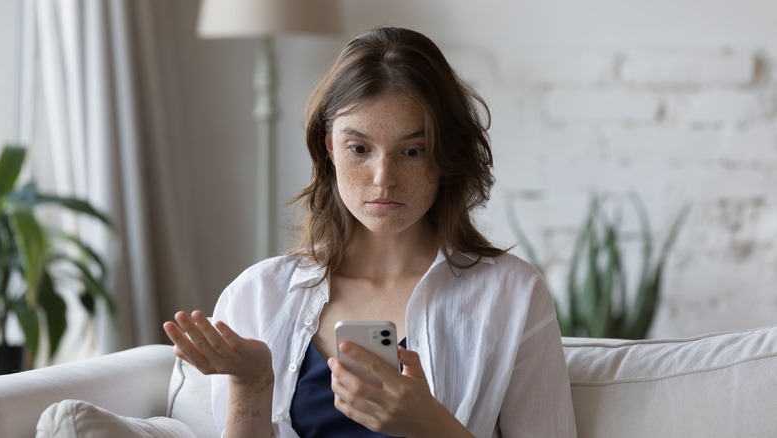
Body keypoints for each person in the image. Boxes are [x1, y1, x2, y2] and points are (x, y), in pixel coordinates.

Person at [163, 26, 577, 437]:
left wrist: (433, 426)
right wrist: (251, 384)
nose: (384, 178)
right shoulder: (257, 295)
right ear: (329, 148)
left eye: (412, 151)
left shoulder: (511, 296)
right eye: (359, 149)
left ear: (446, 155)